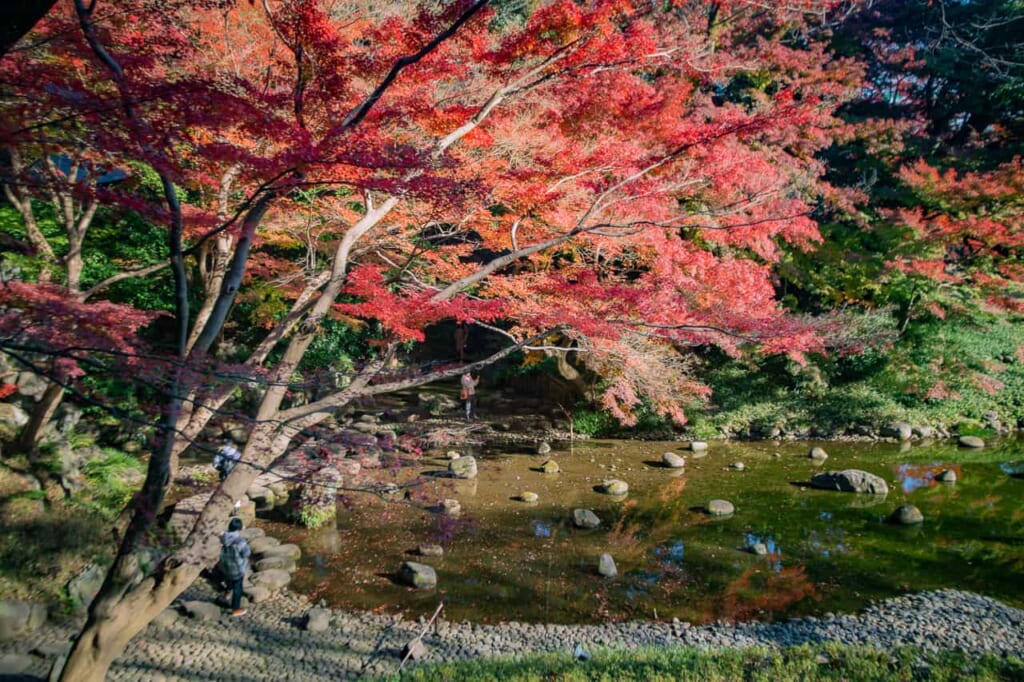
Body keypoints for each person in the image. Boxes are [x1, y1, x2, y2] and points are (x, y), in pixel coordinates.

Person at [219, 517, 251, 617]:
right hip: (237, 567)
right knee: (238, 588)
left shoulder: (224, 537)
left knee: (229, 581)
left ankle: (226, 595)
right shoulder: (239, 540)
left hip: (225, 565)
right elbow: (246, 553)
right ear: (239, 528)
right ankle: (235, 609)